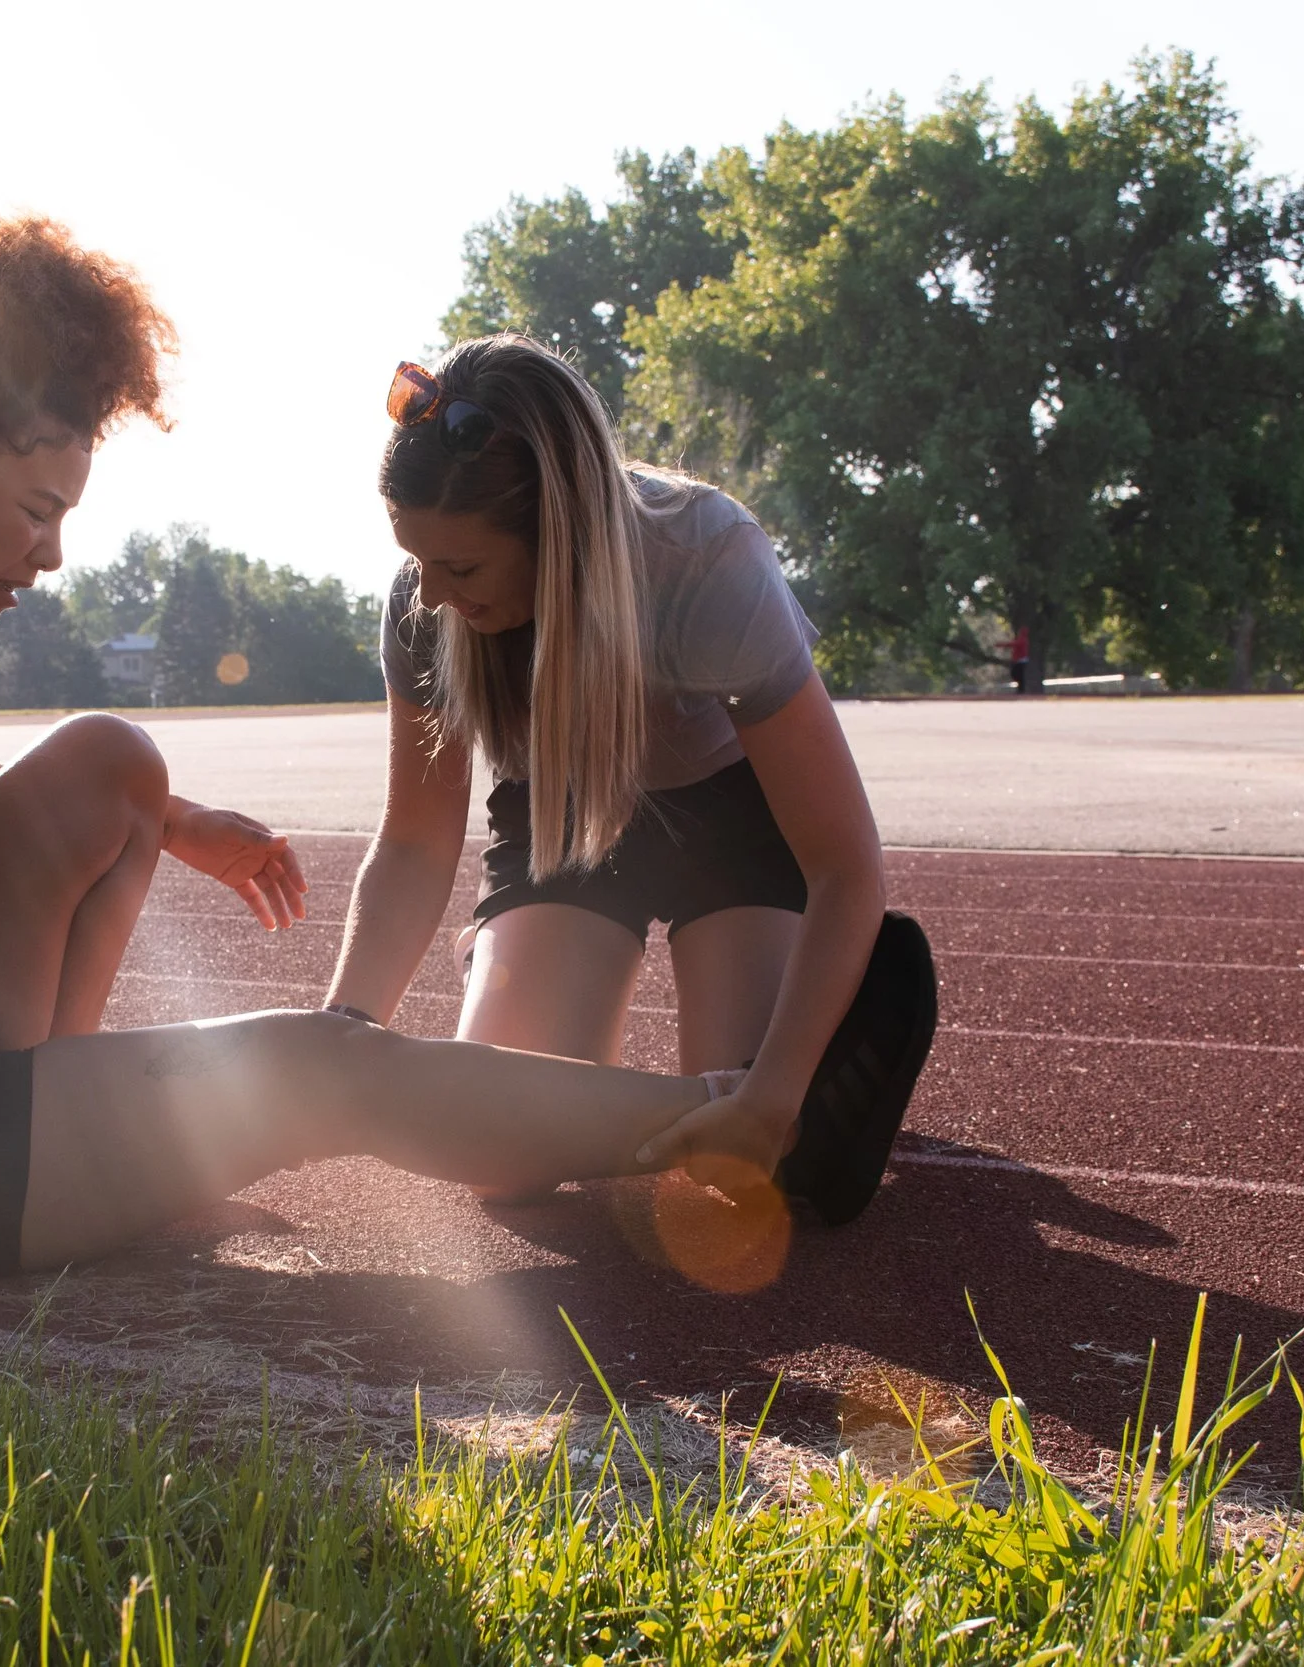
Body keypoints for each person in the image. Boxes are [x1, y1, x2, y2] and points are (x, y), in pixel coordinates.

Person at [0, 222, 768, 1308]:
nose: (51, 553)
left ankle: (85, 1154)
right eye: (37, 513)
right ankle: (730, 1115)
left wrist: (170, 816)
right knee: (323, 1069)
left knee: (107, 756)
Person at [323, 335, 937, 1222]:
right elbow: (417, 839)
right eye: (416, 561)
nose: (430, 596)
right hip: (563, 811)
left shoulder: (708, 563)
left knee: (741, 1159)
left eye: (459, 569)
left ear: (560, 540)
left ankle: (846, 991)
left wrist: (771, 1097)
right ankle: (510, 955)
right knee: (498, 1165)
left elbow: (848, 866)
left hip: (730, 814)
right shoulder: (425, 609)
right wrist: (342, 1033)